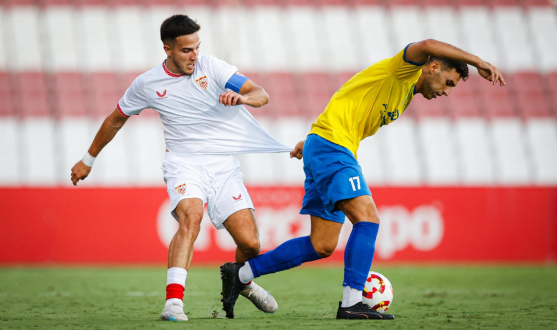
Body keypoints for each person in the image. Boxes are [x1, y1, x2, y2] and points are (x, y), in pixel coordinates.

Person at [221, 39, 506, 320]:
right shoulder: (402, 71)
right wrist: (478, 61)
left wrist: (311, 143)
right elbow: (428, 43)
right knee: (368, 218)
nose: (447, 92)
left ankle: (241, 274)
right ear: (433, 67)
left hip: (323, 145)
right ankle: (352, 302)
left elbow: (349, 104)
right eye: (449, 83)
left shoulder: (405, 93)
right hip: (333, 147)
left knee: (322, 244)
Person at [70, 14, 292, 321]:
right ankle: (173, 304)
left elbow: (261, 94)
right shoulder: (147, 84)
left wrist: (241, 98)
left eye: (197, 47)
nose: (195, 55)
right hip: (183, 163)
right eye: (187, 50)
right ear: (168, 49)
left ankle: (242, 281)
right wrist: (88, 159)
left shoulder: (212, 68)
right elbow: (115, 118)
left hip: (223, 165)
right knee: (191, 217)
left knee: (251, 244)